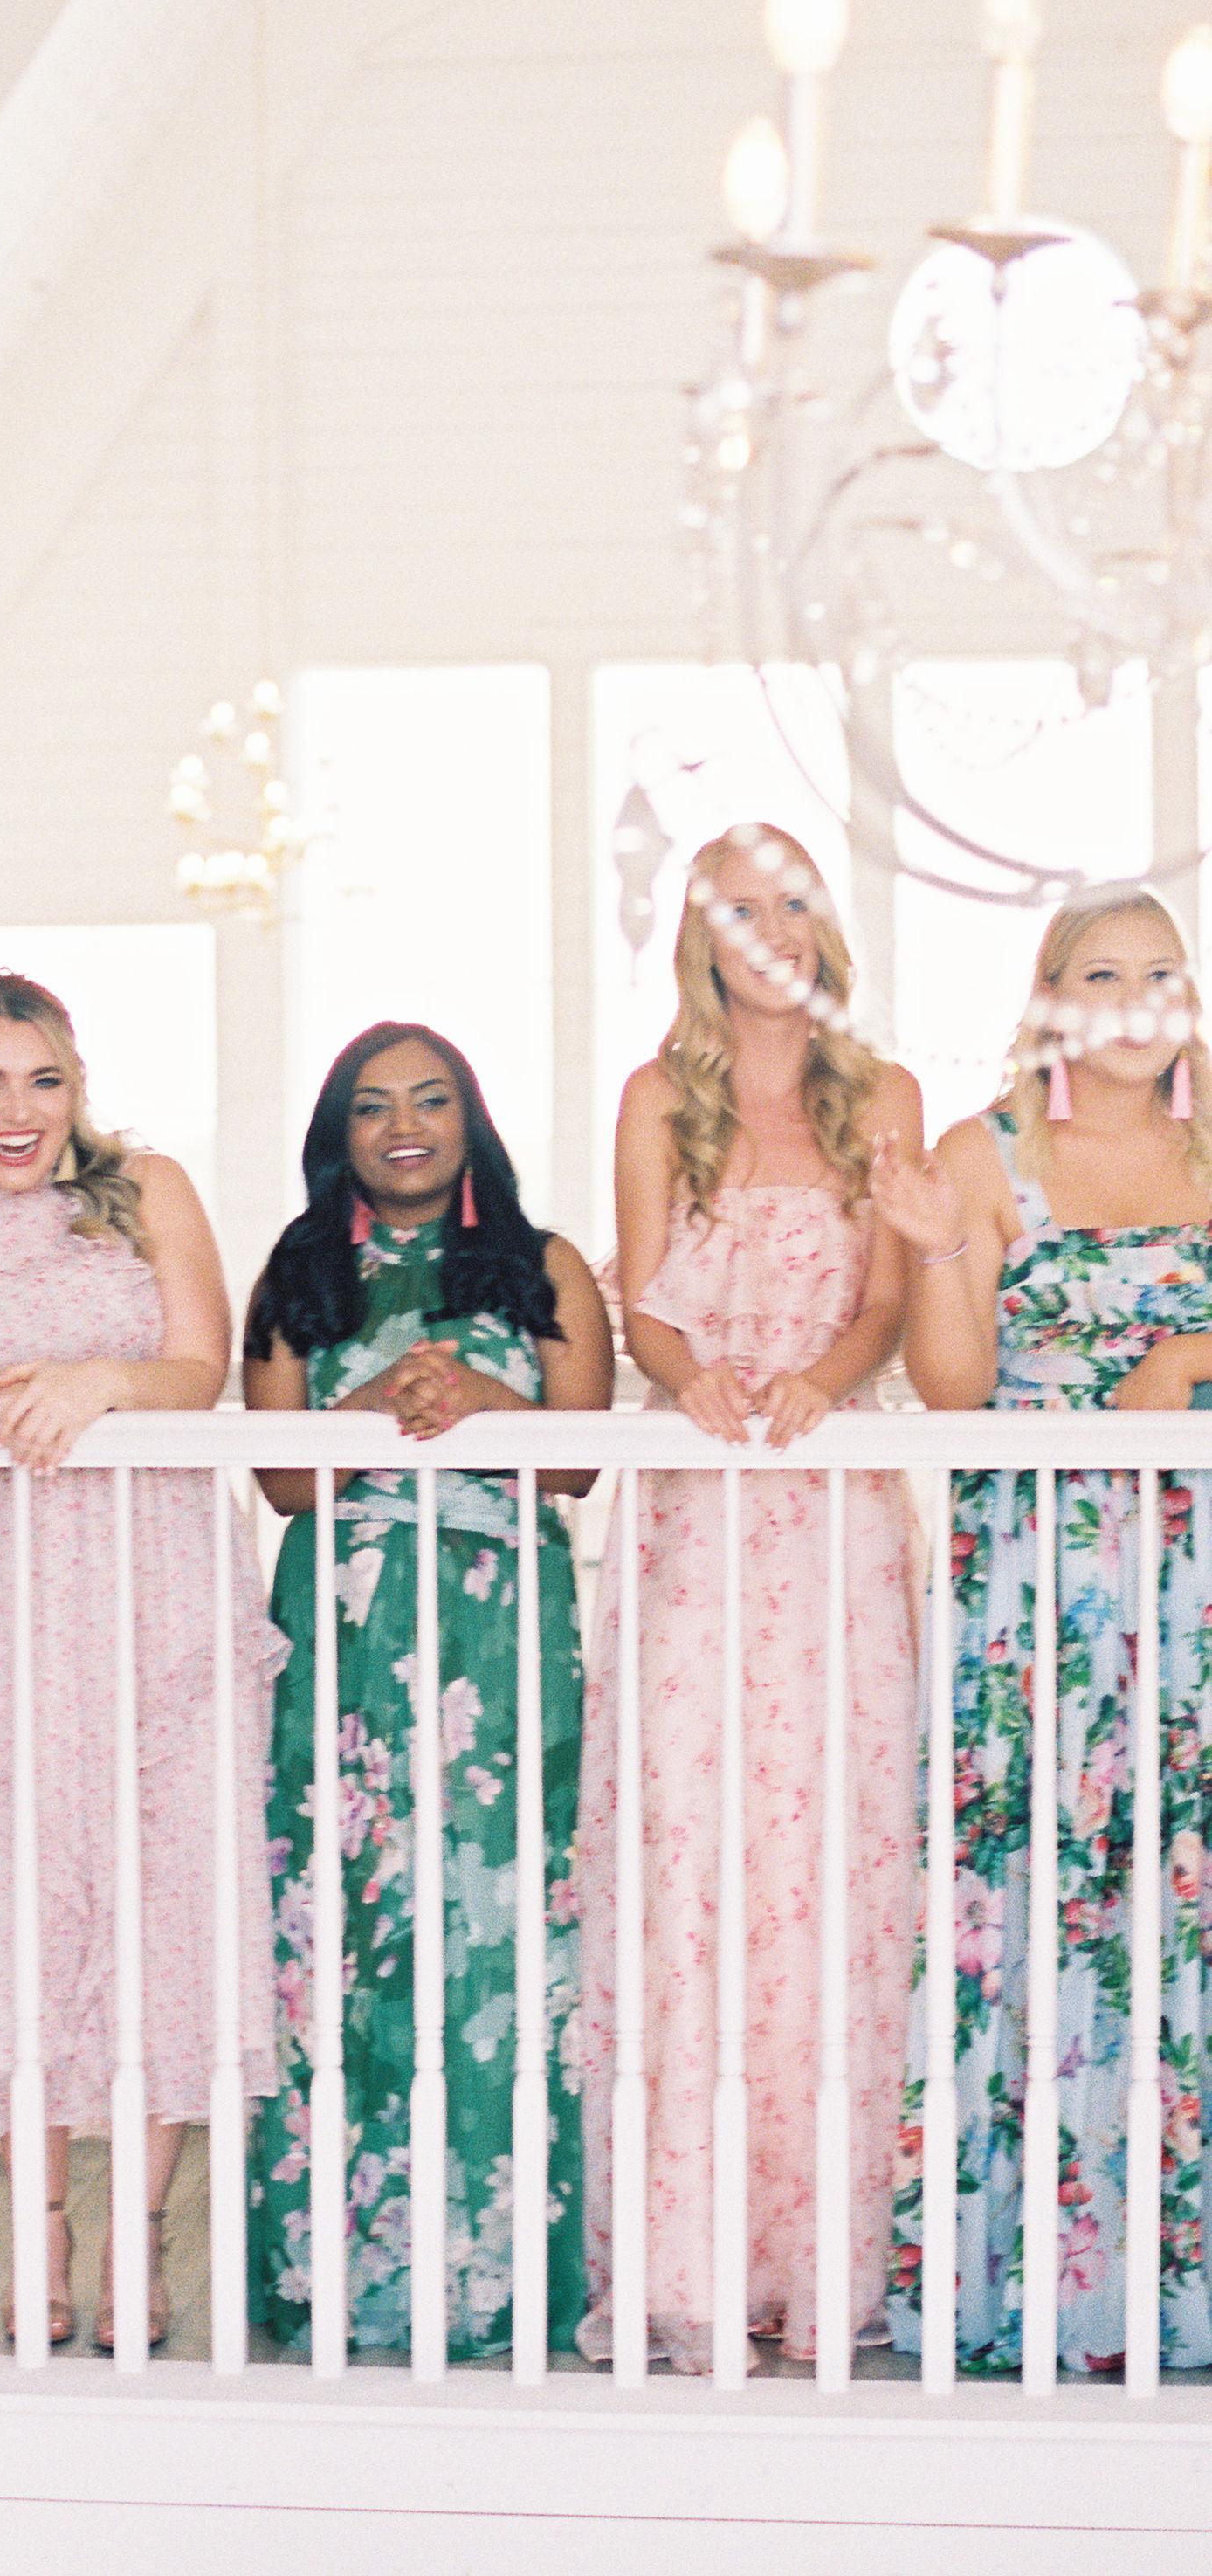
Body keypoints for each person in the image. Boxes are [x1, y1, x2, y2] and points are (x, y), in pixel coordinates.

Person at [0, 972, 279, 2350]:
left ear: (76, 1086)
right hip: (5, 1603)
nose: (16, 1111)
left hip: (158, 1591)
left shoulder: (146, 1191)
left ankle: (136, 2240)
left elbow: (200, 1367)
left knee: (166, 1911)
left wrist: (98, 1383)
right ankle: (37, 2233)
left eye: (41, 1079)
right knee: (9, 1923)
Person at [575, 823, 921, 2373]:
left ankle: (819, 2265)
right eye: (740, 906)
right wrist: (692, 1378)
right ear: (701, 938)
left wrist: (823, 1385)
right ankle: (690, 2264)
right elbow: (639, 1302)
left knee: (829, 1865)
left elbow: (889, 1301)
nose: (771, 928)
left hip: (832, 1512)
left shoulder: (881, 1093)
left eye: (794, 900)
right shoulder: (661, 1096)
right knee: (694, 1859)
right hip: (698, 1513)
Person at [873, 881, 1212, 2372]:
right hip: (1034, 1577)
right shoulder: (984, 1149)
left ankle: (1174, 2283)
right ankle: (1024, 2281)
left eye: (1162, 972)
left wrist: (1185, 1357)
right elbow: (953, 1390)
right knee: (1029, 1890)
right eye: (1102, 974)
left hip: (1191, 1571)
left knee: (1181, 1893)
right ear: (1054, 999)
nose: (1136, 1000)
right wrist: (937, 1249)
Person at [242, 1022, 613, 2359]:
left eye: (430, 1099)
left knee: (502, 1920)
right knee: (341, 1923)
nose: (403, 1127)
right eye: (372, 1106)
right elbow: (277, 1480)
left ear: (471, 1119)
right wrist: (378, 1411)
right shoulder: (295, 1270)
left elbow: (581, 1463)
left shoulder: (541, 1263)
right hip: (342, 1629)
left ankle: (501, 2274)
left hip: (502, 1628)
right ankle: (343, 2272)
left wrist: (474, 1399)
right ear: (335, 1134)